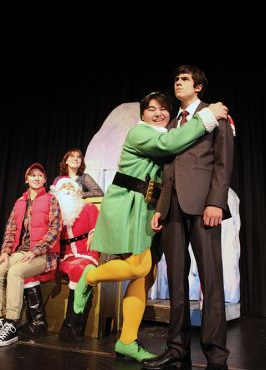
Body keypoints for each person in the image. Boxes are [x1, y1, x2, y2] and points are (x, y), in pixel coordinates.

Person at [73, 91, 228, 362]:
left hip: (149, 209)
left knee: (146, 276)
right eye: (152, 109)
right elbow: (170, 144)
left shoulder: (163, 131)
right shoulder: (141, 133)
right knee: (139, 266)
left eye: (163, 109)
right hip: (127, 205)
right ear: (142, 115)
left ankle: (127, 340)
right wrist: (207, 115)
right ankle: (90, 277)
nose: (158, 113)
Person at [142, 66, 234, 370]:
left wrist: (215, 203)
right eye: (176, 80)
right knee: (177, 283)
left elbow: (223, 162)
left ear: (198, 87)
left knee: (211, 280)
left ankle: (216, 356)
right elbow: (167, 170)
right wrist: (160, 208)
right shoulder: (173, 125)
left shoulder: (215, 115)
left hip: (204, 207)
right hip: (173, 208)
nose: (177, 83)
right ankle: (177, 348)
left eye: (183, 80)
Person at [0, 163, 62, 346]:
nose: (36, 178)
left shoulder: (51, 200)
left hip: (44, 255)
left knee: (15, 272)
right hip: (21, 252)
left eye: (39, 175)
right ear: (27, 179)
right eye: (32, 175)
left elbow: (54, 231)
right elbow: (10, 229)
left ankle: (11, 323)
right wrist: (5, 251)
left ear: (44, 179)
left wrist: (36, 250)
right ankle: (1, 319)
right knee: (1, 268)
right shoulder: (19, 202)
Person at [50, 177, 99, 342]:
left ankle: (71, 324)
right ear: (57, 191)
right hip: (64, 255)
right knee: (80, 269)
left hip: (87, 253)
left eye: (71, 185)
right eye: (64, 186)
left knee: (84, 269)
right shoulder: (54, 211)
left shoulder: (89, 207)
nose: (68, 188)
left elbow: (97, 228)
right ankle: (73, 327)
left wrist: (95, 233)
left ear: (78, 189)